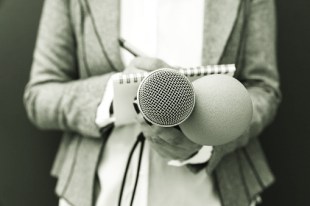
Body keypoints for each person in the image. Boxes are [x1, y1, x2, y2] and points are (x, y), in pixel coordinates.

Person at [23, 0, 281, 206]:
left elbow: (264, 89)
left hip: (215, 192)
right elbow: (39, 96)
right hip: (97, 192)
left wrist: (204, 145)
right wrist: (116, 93)